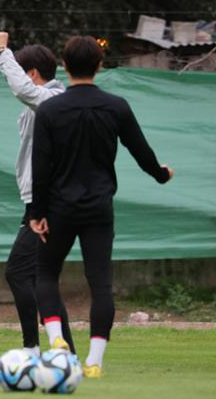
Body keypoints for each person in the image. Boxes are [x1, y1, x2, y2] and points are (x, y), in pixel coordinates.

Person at [29, 36, 173, 378]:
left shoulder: (49, 109)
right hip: (98, 209)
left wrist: (37, 212)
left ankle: (56, 340)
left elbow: (40, 166)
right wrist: (161, 175)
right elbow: (142, 151)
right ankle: (94, 361)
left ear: (64, 66)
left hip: (59, 208)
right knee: (100, 284)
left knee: (45, 273)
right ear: (100, 65)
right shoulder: (116, 106)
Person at [0, 29, 76, 356]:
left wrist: (3, 52)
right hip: (41, 202)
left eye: (22, 70)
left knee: (18, 271)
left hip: (49, 203)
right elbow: (18, 82)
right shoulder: (46, 101)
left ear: (33, 74)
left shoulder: (53, 99)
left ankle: (33, 348)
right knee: (40, 276)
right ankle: (65, 352)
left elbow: (21, 87)